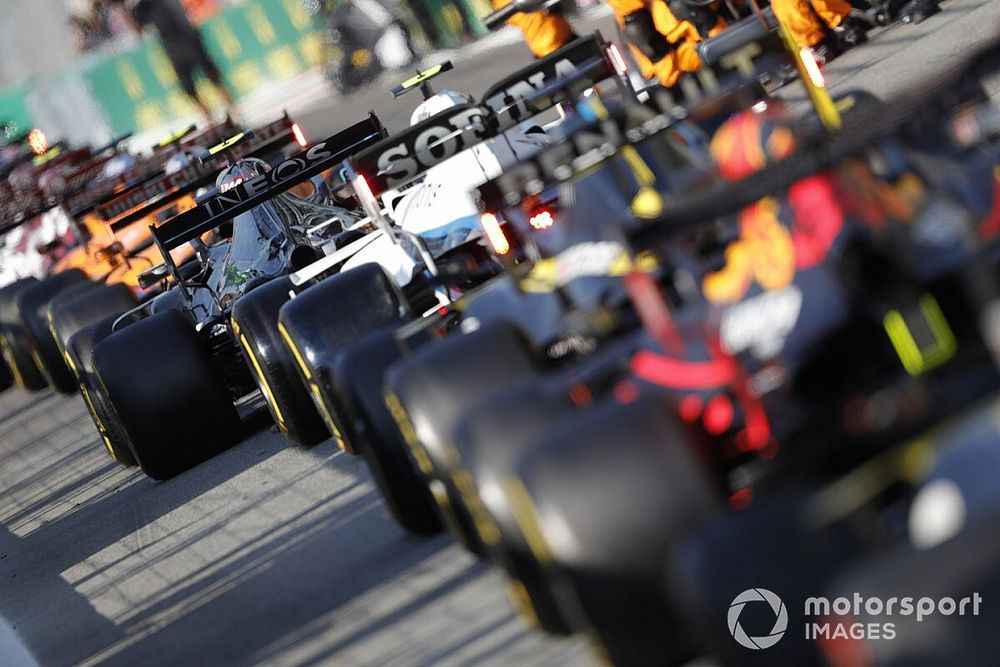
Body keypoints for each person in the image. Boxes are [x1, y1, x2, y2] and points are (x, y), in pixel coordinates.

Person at [106, 0, 236, 120]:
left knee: (212, 75)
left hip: (188, 36)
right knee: (188, 88)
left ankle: (233, 110)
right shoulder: (142, 6)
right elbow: (138, 31)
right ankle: (210, 119)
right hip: (171, 47)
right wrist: (121, 10)